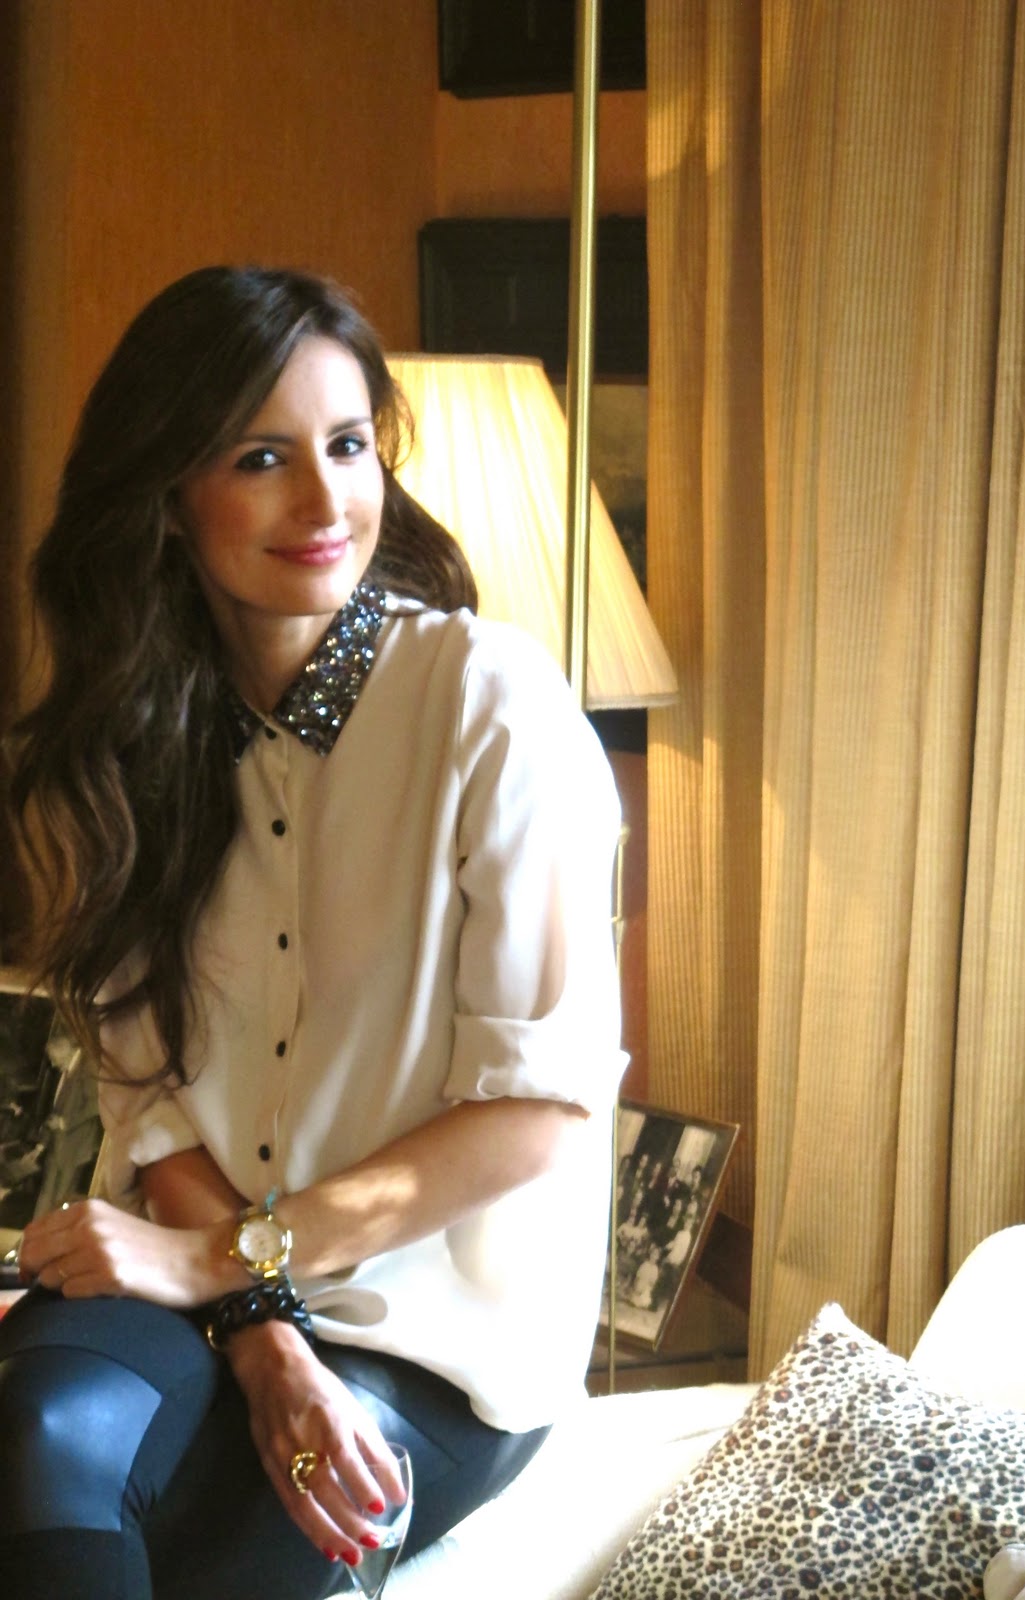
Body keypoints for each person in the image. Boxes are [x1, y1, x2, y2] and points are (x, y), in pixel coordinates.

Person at [0, 265, 624, 1599]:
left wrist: (229, 1264)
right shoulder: (131, 748)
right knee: (41, 1439)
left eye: (347, 446)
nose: (326, 500)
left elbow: (537, 1114)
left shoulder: (490, 707)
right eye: (261, 458)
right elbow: (157, 1111)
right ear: (170, 493)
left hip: (438, 1343)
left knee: (224, 1559)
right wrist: (261, 1327)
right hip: (202, 1285)